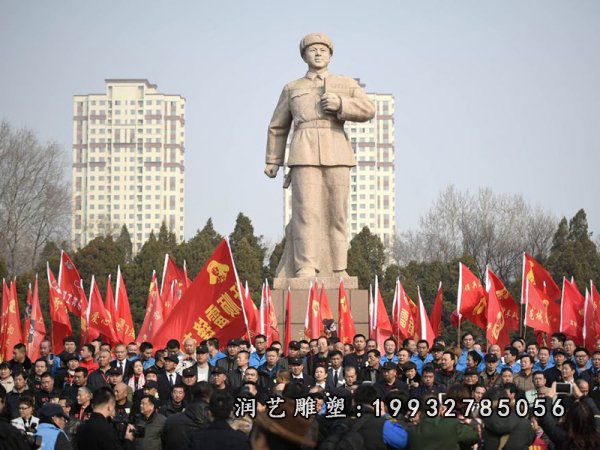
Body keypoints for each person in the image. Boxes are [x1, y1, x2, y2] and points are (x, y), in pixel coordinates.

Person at [264, 32, 376, 279]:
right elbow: (278, 126)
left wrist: (341, 105)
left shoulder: (345, 84)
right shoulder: (292, 88)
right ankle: (306, 267)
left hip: (337, 150)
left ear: (330, 55)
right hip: (303, 152)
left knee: (338, 213)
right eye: (312, 49)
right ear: (304, 55)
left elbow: (369, 109)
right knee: (306, 213)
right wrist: (274, 159)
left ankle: (339, 268)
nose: (317, 53)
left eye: (322, 50)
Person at [163, 382, 212, 449]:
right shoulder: (215, 422)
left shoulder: (171, 420)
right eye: (175, 392)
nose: (177, 395)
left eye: (180, 392)